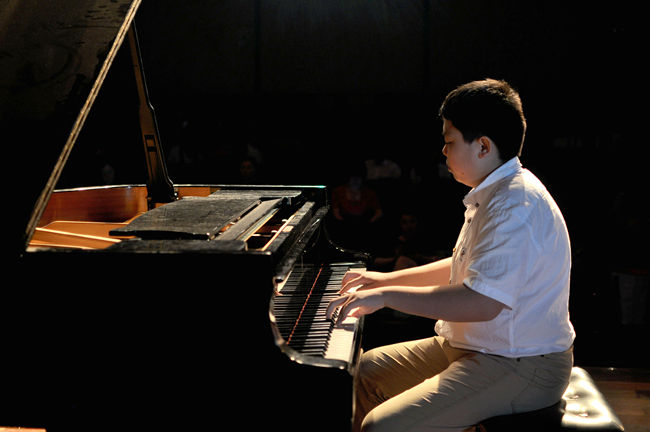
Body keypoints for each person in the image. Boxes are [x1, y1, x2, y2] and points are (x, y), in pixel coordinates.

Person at [327, 78, 576, 432]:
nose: (443, 151)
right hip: (478, 348)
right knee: (364, 373)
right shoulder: (494, 192)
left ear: (483, 146)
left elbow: (482, 302)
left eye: (450, 141)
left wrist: (386, 296)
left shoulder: (514, 204)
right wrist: (383, 280)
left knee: (384, 426)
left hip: (522, 363)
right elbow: (463, 267)